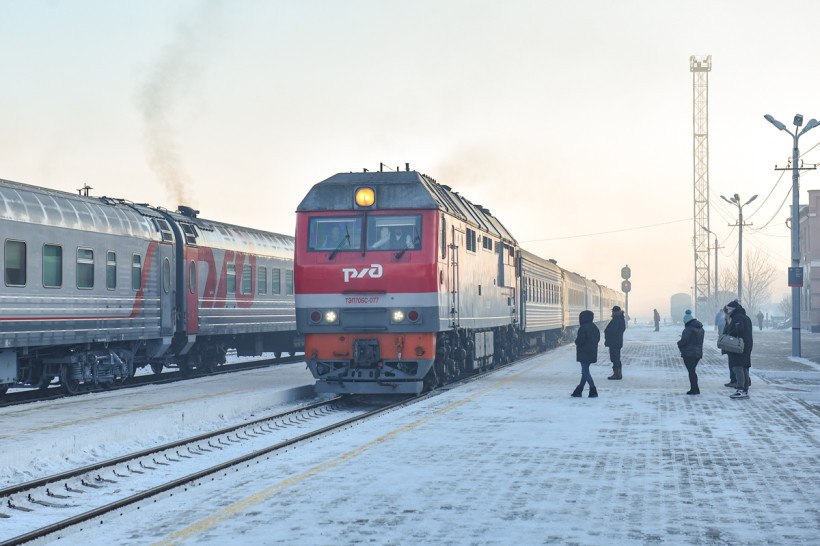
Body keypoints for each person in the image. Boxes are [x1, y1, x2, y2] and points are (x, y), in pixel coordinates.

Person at [724, 300, 753, 399]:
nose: (728, 311)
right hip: (747, 344)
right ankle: (745, 389)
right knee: (744, 366)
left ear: (732, 309)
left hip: (739, 346)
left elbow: (738, 330)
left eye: (728, 309)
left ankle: (740, 389)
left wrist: (729, 334)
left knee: (737, 366)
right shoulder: (745, 317)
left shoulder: (737, 318)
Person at [571, 310, 600, 398]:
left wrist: (576, 342)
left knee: (585, 372)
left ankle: (593, 389)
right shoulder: (595, 327)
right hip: (592, 351)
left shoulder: (583, 327)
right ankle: (579, 390)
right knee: (585, 372)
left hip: (584, 352)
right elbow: (598, 338)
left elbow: (580, 340)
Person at [677, 309, 704, 395]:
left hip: (689, 353)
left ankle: (695, 389)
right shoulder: (700, 328)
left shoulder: (688, 329)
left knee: (691, 372)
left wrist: (679, 343)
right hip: (698, 353)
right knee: (692, 371)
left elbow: (684, 341)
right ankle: (694, 388)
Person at [604, 305, 626, 380]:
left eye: (613, 311)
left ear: (615, 312)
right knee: (616, 358)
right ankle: (618, 374)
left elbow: (614, 330)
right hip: (617, 341)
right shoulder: (620, 318)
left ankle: (616, 374)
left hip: (614, 342)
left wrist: (607, 331)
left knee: (614, 358)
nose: (612, 312)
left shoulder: (616, 319)